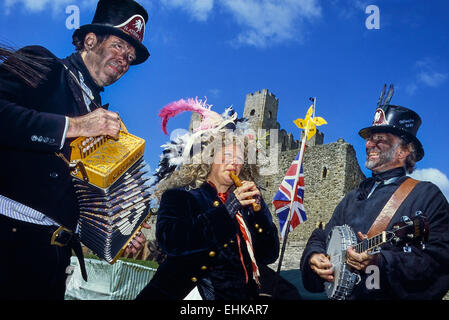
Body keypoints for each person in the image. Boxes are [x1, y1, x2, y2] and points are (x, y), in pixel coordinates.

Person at [0, 0, 151, 299]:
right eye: (120, 46)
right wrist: (75, 127)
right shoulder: (43, 63)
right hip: (8, 241)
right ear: (91, 40)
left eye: (130, 57)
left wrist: (117, 234)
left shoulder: (100, 114)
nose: (125, 60)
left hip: (54, 262)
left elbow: (71, 195)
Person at [300, 87, 449, 300]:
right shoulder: (353, 196)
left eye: (379, 139)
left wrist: (380, 263)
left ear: (404, 151)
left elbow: (439, 264)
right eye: (370, 138)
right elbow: (323, 236)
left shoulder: (427, 196)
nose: (369, 144)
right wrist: (313, 257)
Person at [136, 98, 280, 300]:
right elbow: (171, 240)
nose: (234, 164)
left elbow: (269, 255)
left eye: (239, 160)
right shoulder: (180, 195)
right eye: (227, 155)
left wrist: (260, 215)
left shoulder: (246, 207)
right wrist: (228, 208)